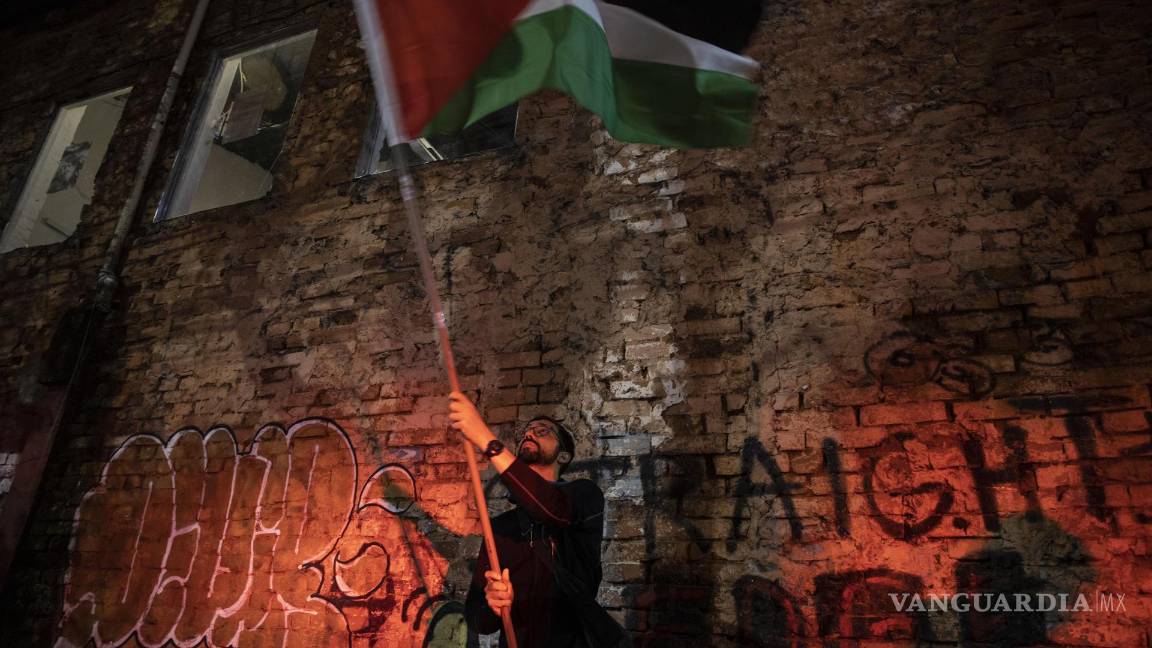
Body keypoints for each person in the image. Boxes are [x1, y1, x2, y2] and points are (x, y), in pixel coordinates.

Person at [448, 392, 606, 648]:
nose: (530, 434)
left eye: (542, 431)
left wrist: (484, 438)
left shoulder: (584, 497)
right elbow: (479, 621)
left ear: (564, 456)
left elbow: (551, 508)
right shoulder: (501, 527)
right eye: (527, 432)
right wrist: (492, 605)